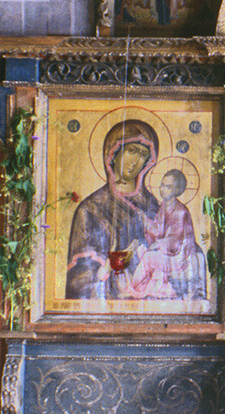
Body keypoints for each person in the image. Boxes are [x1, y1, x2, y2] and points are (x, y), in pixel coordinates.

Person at [65, 119, 163, 302]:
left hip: (148, 303)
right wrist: (108, 267)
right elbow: (77, 279)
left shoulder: (153, 206)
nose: (136, 160)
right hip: (109, 301)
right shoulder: (91, 208)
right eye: (131, 151)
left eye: (142, 154)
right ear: (113, 154)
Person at [128, 166, 208, 304]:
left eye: (168, 187)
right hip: (167, 252)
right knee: (141, 248)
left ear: (177, 190)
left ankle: (131, 289)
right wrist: (144, 219)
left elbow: (174, 239)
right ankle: (147, 288)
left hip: (178, 257)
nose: (163, 189)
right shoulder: (165, 206)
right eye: (162, 185)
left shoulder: (180, 211)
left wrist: (157, 244)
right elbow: (158, 230)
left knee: (147, 257)